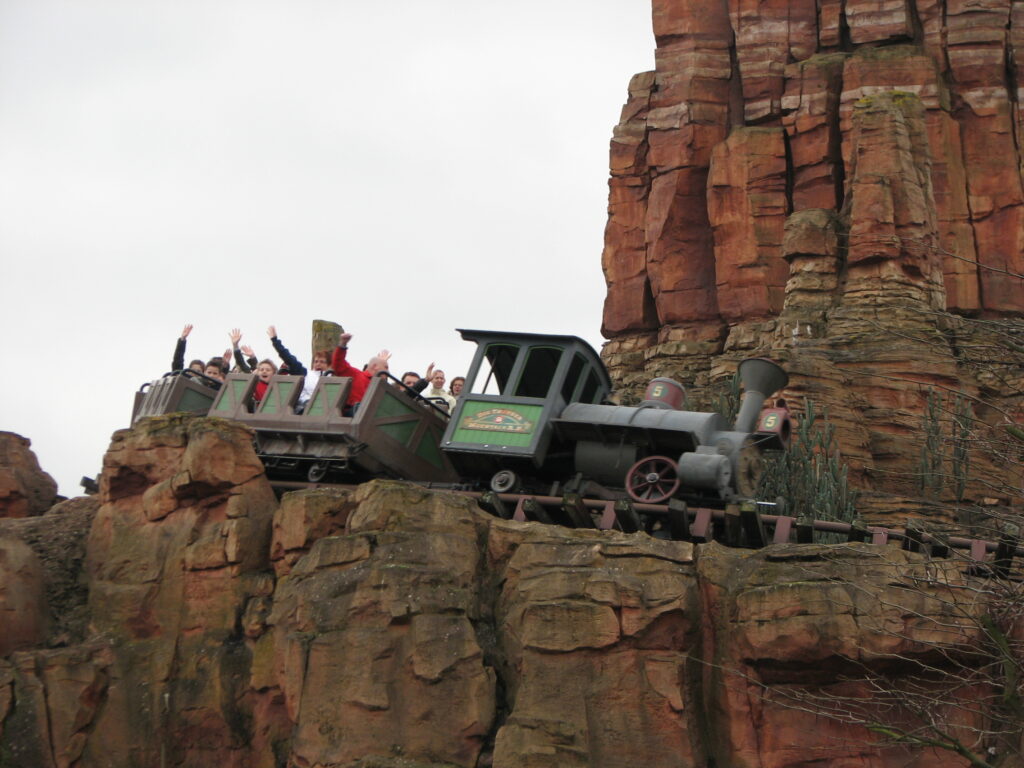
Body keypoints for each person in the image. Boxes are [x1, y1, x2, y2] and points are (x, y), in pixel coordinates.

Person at [330, 332, 391, 410]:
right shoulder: (357, 374)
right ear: (375, 366)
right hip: (354, 413)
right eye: (386, 367)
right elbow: (338, 365)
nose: (388, 371)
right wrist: (343, 344)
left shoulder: (380, 386)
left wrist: (382, 362)